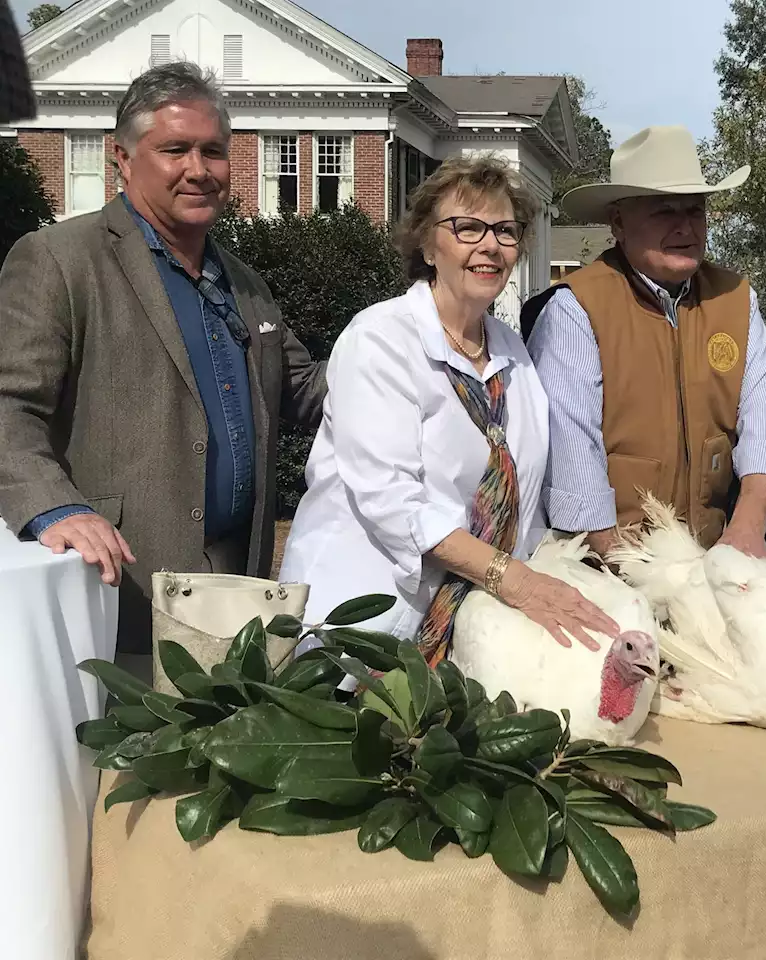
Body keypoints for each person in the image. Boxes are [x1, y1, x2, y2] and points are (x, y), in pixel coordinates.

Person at [0, 62, 326, 653]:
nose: (198, 170)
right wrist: (55, 508)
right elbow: (8, 408)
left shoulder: (243, 282)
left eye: (214, 151)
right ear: (121, 159)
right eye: (174, 149)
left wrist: (415, 337)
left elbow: (303, 390)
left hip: (235, 591)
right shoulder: (59, 261)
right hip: (115, 590)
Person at [279, 155, 617, 658]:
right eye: (466, 228)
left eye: (505, 231)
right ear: (427, 244)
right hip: (358, 632)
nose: (490, 245)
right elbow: (394, 505)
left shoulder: (513, 354)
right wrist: (515, 580)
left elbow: (526, 508)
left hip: (465, 633)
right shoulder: (380, 340)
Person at [523, 125, 766, 559]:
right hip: (606, 567)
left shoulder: (736, 298)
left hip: (714, 558)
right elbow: (572, 455)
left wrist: (748, 528)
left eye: (694, 210)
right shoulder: (576, 308)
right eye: (664, 211)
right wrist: (628, 571)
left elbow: (764, 419)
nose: (684, 226)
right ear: (618, 222)